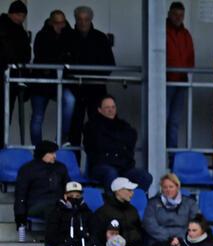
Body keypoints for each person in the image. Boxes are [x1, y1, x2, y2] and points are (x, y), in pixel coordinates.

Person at [83, 95, 153, 191]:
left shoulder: (123, 125)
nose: (111, 110)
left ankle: (133, 203)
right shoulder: (91, 126)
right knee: (111, 173)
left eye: (113, 107)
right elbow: (97, 146)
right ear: (99, 110)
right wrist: (118, 144)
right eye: (107, 107)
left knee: (145, 176)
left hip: (124, 167)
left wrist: (113, 143)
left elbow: (131, 138)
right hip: (101, 166)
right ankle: (113, 204)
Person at [68, 5, 116, 145]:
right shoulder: (69, 38)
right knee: (74, 130)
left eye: (86, 19)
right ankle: (75, 165)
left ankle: (94, 165)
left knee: (97, 129)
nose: (83, 22)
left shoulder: (100, 38)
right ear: (75, 20)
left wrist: (97, 79)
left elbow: (110, 64)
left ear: (91, 20)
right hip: (75, 89)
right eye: (80, 19)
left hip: (96, 90)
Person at [29, 10, 76, 146]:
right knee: (37, 117)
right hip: (41, 82)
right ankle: (37, 149)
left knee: (70, 100)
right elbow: (41, 57)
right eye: (56, 22)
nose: (59, 26)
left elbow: (72, 57)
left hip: (59, 81)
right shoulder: (41, 35)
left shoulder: (69, 36)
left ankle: (61, 139)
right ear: (50, 22)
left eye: (62, 22)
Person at [143, 173, 199, 246]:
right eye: (165, 187)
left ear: (177, 187)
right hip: (159, 240)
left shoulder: (189, 203)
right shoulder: (153, 203)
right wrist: (169, 238)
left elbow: (195, 224)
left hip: (183, 239)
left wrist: (180, 238)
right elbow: (149, 224)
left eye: (171, 187)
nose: (168, 190)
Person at [14, 141, 69, 242]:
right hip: (35, 205)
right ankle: (53, 243)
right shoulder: (27, 169)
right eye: (51, 153)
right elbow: (20, 194)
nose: (55, 156)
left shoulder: (60, 168)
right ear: (43, 154)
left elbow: (68, 186)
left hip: (58, 203)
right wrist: (20, 216)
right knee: (53, 208)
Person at [0, 1, 31, 149]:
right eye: (19, 15)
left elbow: (25, 53)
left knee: (7, 116)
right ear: (12, 13)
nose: (22, 18)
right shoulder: (6, 28)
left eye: (24, 16)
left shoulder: (19, 31)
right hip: (8, 76)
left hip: (12, 79)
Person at [92, 177, 145, 246]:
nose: (132, 193)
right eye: (129, 190)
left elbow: (139, 231)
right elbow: (98, 237)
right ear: (118, 191)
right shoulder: (103, 212)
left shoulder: (133, 210)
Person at [165, 1, 195, 148]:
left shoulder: (186, 35)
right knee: (161, 121)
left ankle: (171, 159)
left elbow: (191, 58)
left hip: (181, 83)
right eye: (175, 15)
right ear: (169, 14)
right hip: (165, 82)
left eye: (181, 15)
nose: (178, 18)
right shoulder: (160, 31)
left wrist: (187, 78)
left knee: (174, 122)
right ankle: (157, 157)